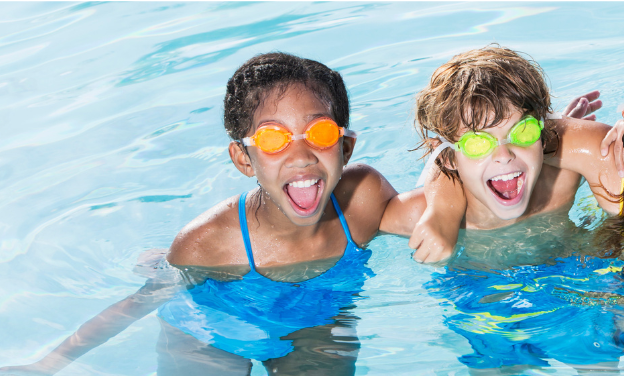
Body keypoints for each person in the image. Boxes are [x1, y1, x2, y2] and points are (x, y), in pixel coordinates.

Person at [1, 52, 429, 375]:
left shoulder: (363, 199)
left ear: (346, 147)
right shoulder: (210, 241)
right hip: (212, 329)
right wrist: (46, 365)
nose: (301, 155)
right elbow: (135, 305)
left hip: (317, 320)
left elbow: (444, 203)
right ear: (244, 160)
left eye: (318, 133)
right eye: (273, 139)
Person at [405, 45, 624, 373]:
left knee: (600, 359)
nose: (503, 155)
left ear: (543, 130)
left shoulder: (562, 174)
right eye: (479, 142)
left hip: (569, 276)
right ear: (449, 156)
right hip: (480, 286)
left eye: (523, 132)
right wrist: (439, 213)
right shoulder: (433, 218)